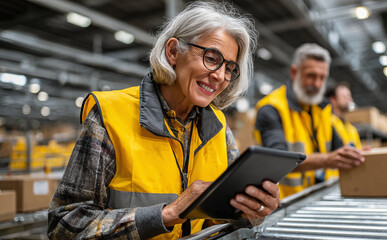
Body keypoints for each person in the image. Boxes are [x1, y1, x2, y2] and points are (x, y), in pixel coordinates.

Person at [48, 2, 280, 239]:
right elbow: (64, 225)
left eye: (230, 68)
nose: (220, 76)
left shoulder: (219, 128)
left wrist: (251, 210)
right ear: (173, 52)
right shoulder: (110, 115)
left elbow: (221, 217)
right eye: (212, 58)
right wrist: (168, 214)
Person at [254, 43, 365, 199]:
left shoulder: (322, 109)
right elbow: (278, 160)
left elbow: (338, 147)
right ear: (294, 72)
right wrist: (327, 160)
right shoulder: (271, 108)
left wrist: (354, 154)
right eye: (311, 76)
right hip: (283, 204)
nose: (318, 84)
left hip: (317, 197)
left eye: (322, 78)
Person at [325, 82, 362, 149]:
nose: (350, 99)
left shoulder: (351, 129)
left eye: (349, 96)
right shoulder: (327, 123)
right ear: (332, 99)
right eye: (345, 97)